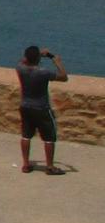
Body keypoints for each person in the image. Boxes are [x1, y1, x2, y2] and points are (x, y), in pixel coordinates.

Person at [16, 44, 68, 174]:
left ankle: (26, 164)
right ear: (38, 59)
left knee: (26, 136)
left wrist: (37, 54)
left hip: (25, 106)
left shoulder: (20, 69)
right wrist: (57, 61)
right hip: (42, 108)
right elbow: (64, 77)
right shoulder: (43, 72)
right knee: (49, 138)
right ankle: (50, 167)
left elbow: (23, 60)